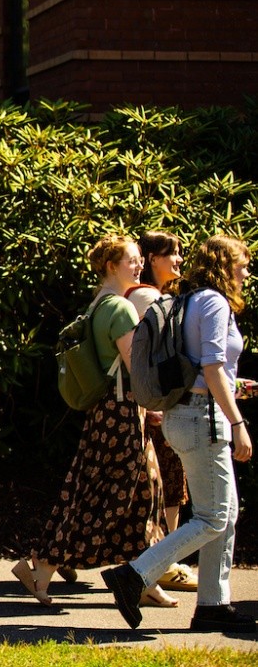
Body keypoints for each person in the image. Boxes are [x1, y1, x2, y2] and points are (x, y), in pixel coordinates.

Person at [103, 235, 255, 633]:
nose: (246, 272)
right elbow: (211, 368)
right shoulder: (215, 302)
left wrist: (235, 387)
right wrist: (238, 422)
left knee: (226, 514)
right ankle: (135, 574)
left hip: (183, 413)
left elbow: (203, 370)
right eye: (242, 264)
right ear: (224, 264)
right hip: (204, 418)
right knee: (214, 515)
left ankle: (212, 604)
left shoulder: (189, 299)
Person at [11, 234, 166, 607]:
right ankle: (43, 566)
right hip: (123, 414)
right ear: (112, 266)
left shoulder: (99, 304)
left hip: (107, 413)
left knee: (142, 493)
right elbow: (136, 367)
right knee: (104, 499)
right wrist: (156, 404)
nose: (139, 265)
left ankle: (144, 577)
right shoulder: (122, 310)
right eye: (132, 260)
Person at [125, 230, 197, 593]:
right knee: (165, 483)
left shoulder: (156, 295)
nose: (179, 260)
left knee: (170, 483)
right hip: (154, 406)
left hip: (158, 404)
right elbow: (149, 356)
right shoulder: (146, 297)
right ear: (153, 258)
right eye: (173, 254)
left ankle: (167, 559)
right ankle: (164, 561)